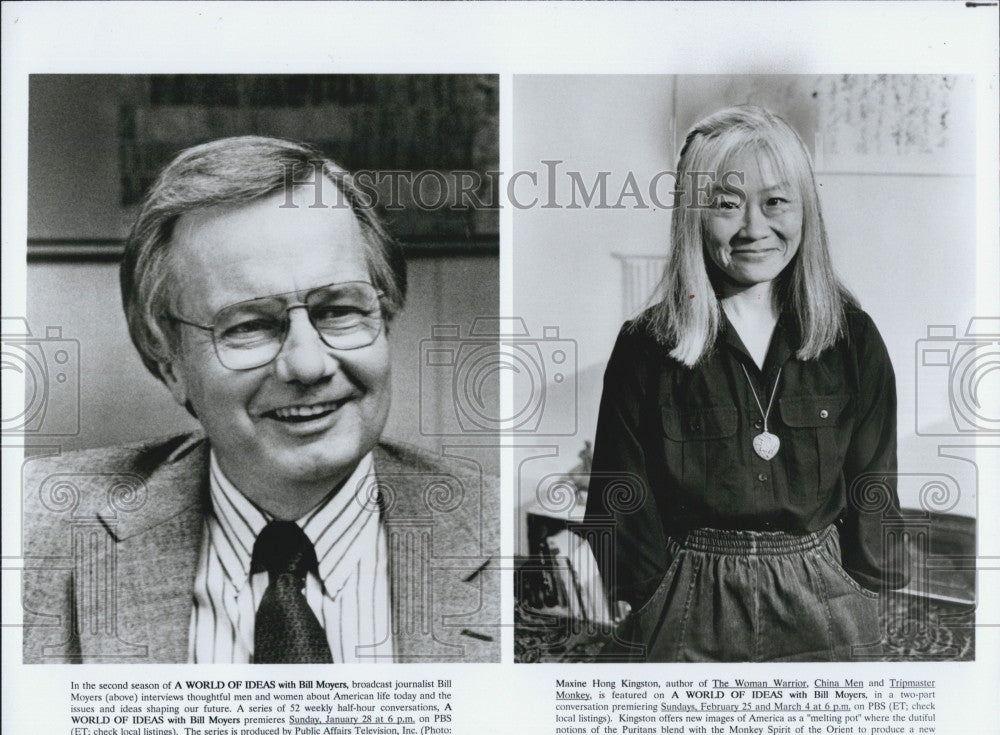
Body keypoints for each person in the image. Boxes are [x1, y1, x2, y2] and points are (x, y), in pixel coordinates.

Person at [22, 136, 498, 664]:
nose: (308, 365)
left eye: (338, 309)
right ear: (170, 364)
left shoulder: (502, 539)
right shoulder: (31, 532)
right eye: (250, 325)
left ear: (383, 320)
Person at [585, 106, 904, 662]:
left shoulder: (853, 338)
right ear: (692, 218)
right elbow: (619, 498)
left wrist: (862, 591)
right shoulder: (645, 345)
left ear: (806, 210)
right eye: (727, 206)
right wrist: (656, 596)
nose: (755, 228)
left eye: (776, 202)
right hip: (686, 598)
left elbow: (873, 482)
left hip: (823, 593)